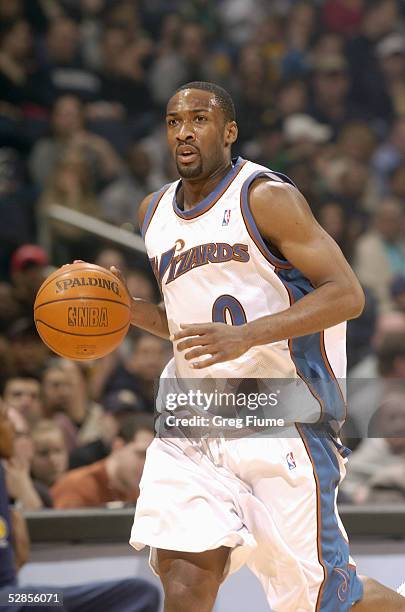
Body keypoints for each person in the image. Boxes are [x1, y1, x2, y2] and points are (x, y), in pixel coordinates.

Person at [100, 81, 405, 611]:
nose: (184, 131)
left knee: (325, 602)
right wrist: (128, 310)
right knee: (185, 583)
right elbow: (188, 330)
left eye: (199, 118)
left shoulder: (266, 197)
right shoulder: (153, 213)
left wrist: (247, 336)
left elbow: (348, 294)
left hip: (281, 416)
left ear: (230, 130)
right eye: (174, 121)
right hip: (193, 422)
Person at [0, 402, 160, 612]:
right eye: (5, 420)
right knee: (41, 603)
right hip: (9, 598)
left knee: (142, 592)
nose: (10, 430)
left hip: (11, 594)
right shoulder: (79, 485)